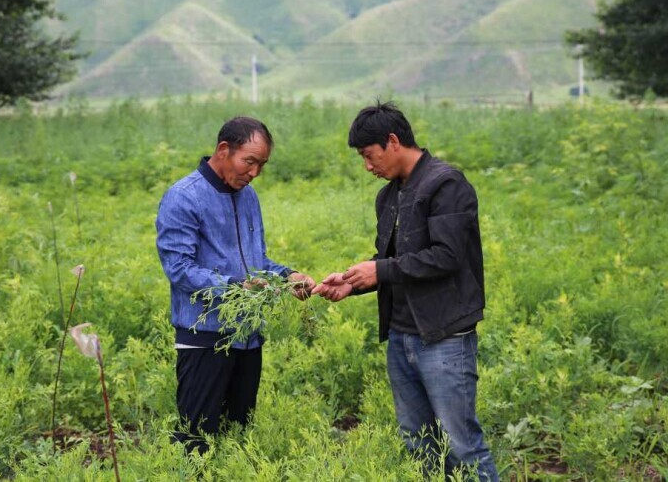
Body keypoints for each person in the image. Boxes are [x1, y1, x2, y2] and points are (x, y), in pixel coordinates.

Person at [312, 102, 498, 480]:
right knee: (418, 440)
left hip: (444, 335)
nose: (367, 166)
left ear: (393, 141)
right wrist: (351, 282)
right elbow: (396, 262)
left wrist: (379, 270)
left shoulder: (446, 184)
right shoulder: (389, 196)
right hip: (402, 335)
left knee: (461, 443)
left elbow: (446, 256)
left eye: (369, 155)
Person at [156, 116, 315, 454]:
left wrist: (287, 277)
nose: (255, 172)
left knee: (237, 438)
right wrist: (235, 286)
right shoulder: (183, 197)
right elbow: (179, 268)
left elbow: (256, 265)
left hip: (247, 338)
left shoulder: (248, 197)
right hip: (205, 340)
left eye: (262, 164)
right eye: (250, 161)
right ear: (223, 150)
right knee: (197, 441)